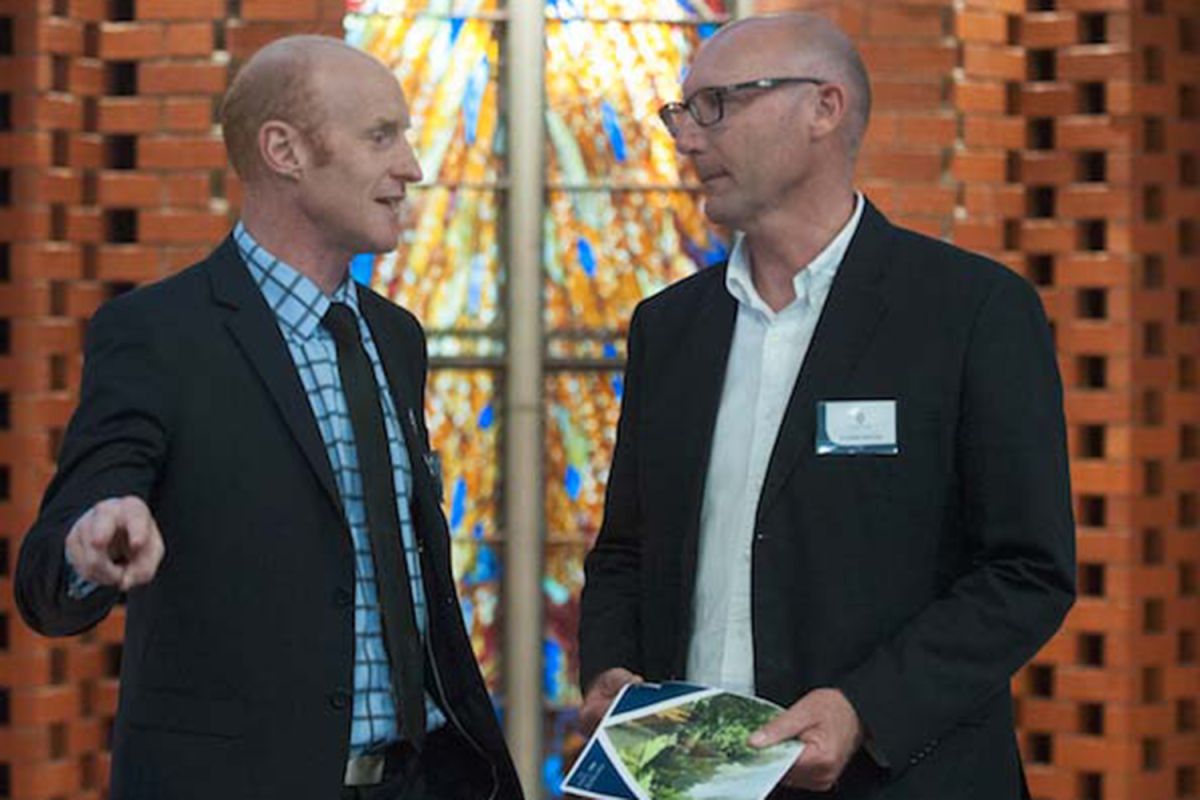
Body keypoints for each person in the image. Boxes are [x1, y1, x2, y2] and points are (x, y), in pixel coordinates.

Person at [578, 13, 1075, 799]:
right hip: (689, 781)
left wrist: (863, 711)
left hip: (903, 778)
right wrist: (609, 671)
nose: (687, 138)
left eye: (716, 105)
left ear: (824, 108)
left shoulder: (971, 311)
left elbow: (1025, 572)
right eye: (681, 112)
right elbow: (624, 553)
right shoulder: (669, 327)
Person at [15, 35, 522, 800]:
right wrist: (94, 544)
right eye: (382, 135)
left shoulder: (396, 337)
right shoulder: (157, 334)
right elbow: (51, 573)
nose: (412, 166)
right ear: (284, 150)